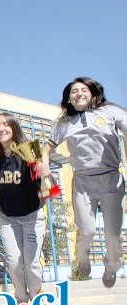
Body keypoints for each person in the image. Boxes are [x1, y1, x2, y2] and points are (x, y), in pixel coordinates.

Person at [41, 77, 127, 288]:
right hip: (83, 182)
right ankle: (82, 258)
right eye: (74, 92)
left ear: (92, 93)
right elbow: (47, 148)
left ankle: (112, 265)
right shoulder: (64, 123)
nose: (78, 93)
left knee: (113, 233)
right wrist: (44, 165)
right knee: (86, 230)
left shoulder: (109, 112)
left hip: (111, 179)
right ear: (69, 99)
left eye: (83, 90)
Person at [0, 112, 45, 303]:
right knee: (14, 262)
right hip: (6, 216)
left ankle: (37, 296)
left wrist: (48, 185)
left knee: (31, 264)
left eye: (6, 124)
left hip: (31, 215)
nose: (1, 129)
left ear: (14, 127)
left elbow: (45, 181)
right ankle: (21, 299)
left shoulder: (29, 149)